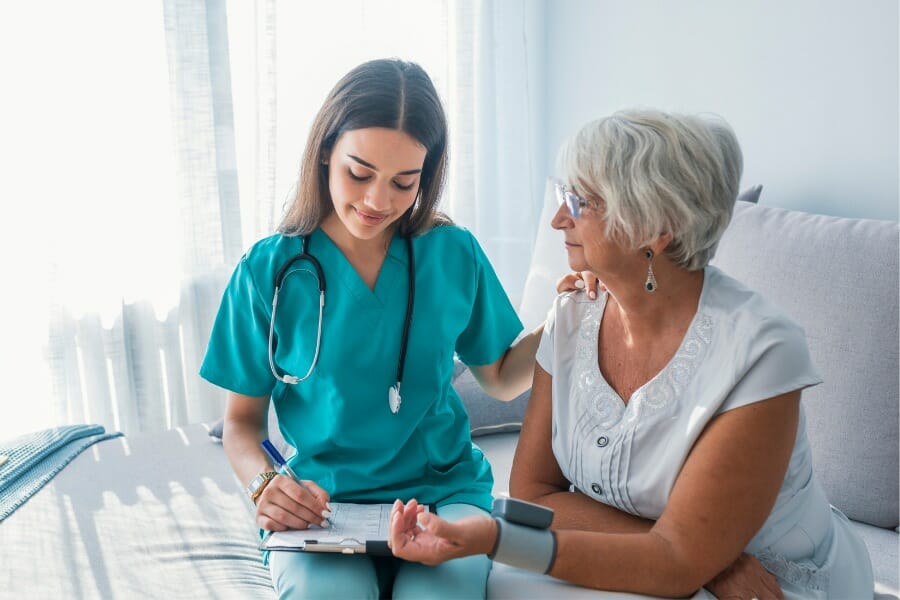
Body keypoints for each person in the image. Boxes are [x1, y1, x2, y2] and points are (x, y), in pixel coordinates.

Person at [388, 109, 874, 599]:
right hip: (702, 566)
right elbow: (536, 495)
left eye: (579, 202)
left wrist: (499, 539)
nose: (559, 218)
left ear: (656, 229)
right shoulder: (574, 315)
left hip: (766, 584)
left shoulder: (761, 352)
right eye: (564, 196)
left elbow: (674, 561)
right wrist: (709, 559)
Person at [199, 58, 541, 599]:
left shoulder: (451, 255)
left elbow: (500, 378)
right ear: (325, 154)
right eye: (359, 174)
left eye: (404, 182)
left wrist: (567, 320)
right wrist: (267, 485)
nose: (378, 201)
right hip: (324, 500)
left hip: (443, 492)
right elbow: (242, 423)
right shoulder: (268, 271)